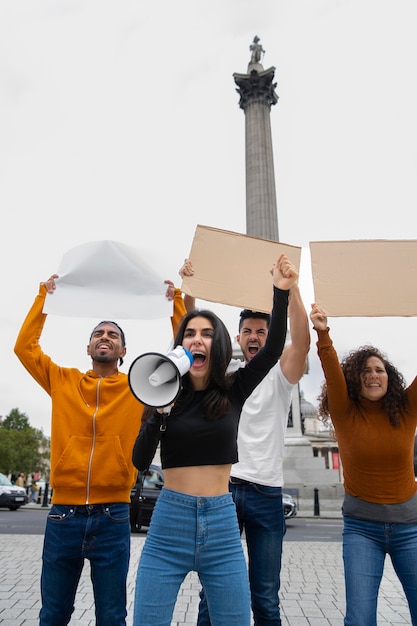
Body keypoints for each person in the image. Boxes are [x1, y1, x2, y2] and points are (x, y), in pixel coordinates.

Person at [14, 269, 189, 626]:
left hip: (113, 515)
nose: (104, 337)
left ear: (124, 351)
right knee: (53, 615)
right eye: (98, 333)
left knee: (111, 616)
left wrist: (177, 304)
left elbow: (181, 359)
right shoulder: (62, 380)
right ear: (89, 347)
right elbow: (24, 348)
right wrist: (43, 299)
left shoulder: (138, 387)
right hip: (63, 515)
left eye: (112, 335)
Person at [131, 253, 299, 626]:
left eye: (207, 333)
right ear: (181, 345)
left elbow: (272, 351)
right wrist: (159, 414)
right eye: (190, 333)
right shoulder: (163, 393)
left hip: (222, 526)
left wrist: (281, 292)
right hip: (168, 523)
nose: (197, 339)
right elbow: (140, 461)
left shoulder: (234, 388)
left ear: (220, 343)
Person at [197, 282, 310, 626]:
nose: (254, 337)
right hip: (224, 490)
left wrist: (292, 291)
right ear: (238, 336)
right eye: (247, 331)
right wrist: (185, 295)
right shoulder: (226, 379)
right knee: (211, 593)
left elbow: (303, 341)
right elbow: (188, 348)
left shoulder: (281, 374)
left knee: (265, 596)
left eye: (262, 331)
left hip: (266, 493)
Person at [310, 303, 417, 626]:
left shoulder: (407, 408)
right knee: (359, 620)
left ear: (390, 377)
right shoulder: (345, 412)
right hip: (362, 530)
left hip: (410, 529)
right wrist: (322, 331)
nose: (373, 375)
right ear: (355, 379)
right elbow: (329, 368)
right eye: (366, 370)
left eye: (380, 370)